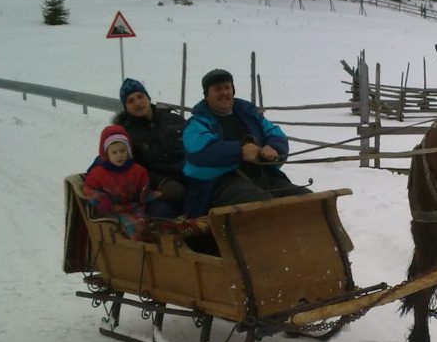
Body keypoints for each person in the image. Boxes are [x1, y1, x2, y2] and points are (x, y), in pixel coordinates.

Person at [181, 69, 310, 218]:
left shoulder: (249, 115)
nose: (224, 92)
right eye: (217, 89)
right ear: (207, 95)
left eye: (227, 87)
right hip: (218, 185)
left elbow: (275, 134)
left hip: (260, 177)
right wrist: (240, 152)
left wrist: (273, 149)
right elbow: (200, 152)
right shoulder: (198, 123)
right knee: (263, 205)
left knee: (304, 198)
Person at [114, 78, 188, 217]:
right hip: (156, 190)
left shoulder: (175, 120)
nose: (137, 103)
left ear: (148, 97)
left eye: (140, 96)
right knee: (162, 215)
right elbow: (130, 169)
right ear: (126, 107)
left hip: (191, 180)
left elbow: (195, 149)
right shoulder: (125, 134)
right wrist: (161, 184)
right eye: (131, 100)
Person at [82, 125, 162, 241]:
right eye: (114, 152)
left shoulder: (137, 170)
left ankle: (154, 239)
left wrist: (154, 195)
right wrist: (101, 199)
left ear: (128, 151)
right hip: (113, 210)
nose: (119, 155)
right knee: (132, 226)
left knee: (152, 223)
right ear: (106, 154)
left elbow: (144, 188)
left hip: (135, 207)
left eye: (123, 151)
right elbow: (88, 189)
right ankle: (138, 249)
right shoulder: (98, 173)